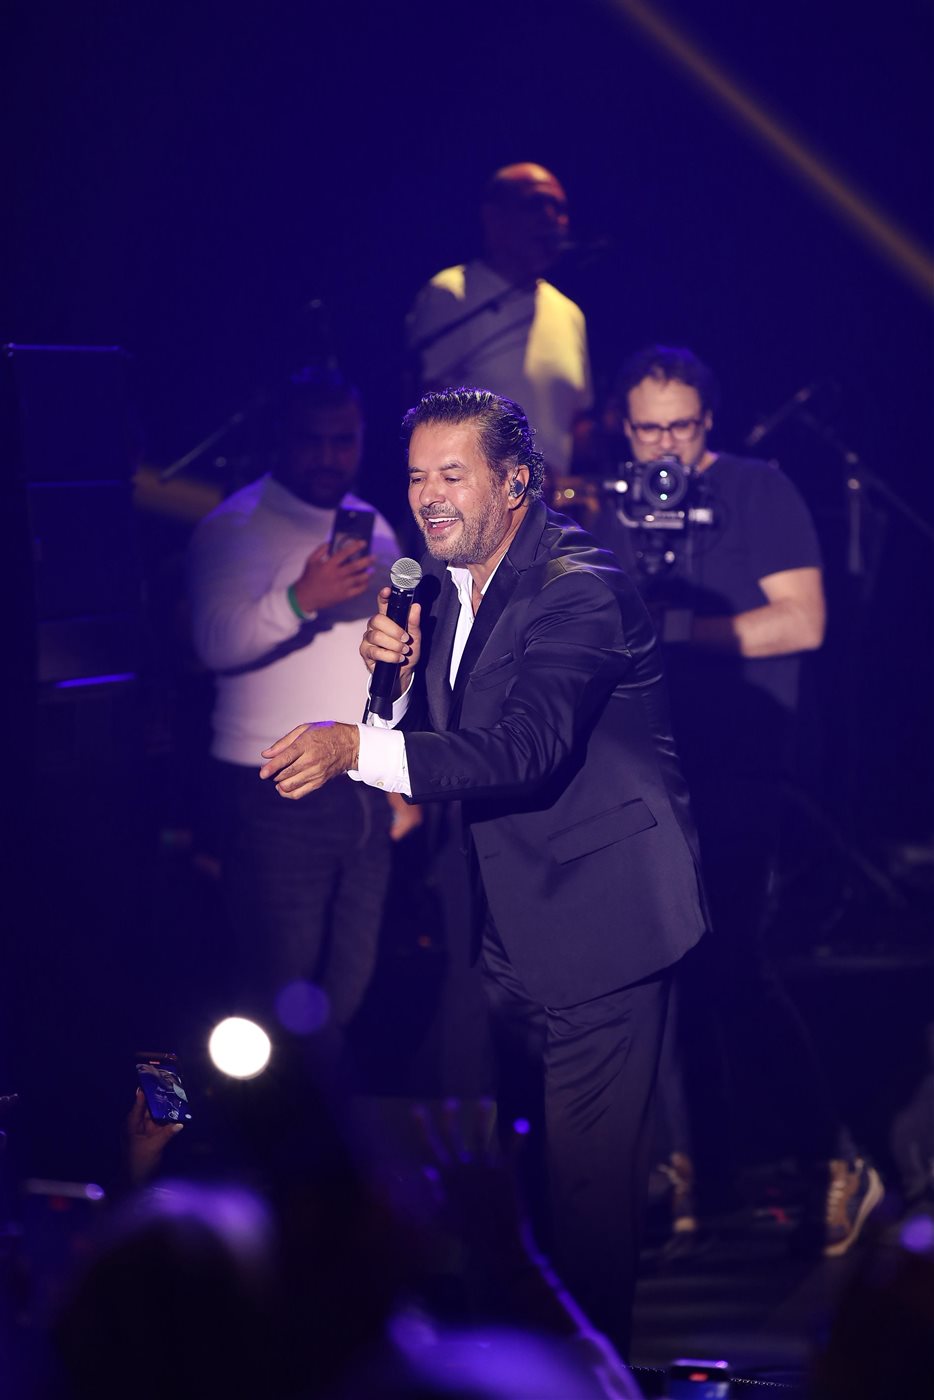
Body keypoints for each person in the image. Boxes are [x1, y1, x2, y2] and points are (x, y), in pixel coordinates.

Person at [258, 386, 707, 1356]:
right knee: (520, 1179)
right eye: (417, 476)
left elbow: (524, 749)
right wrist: (389, 685)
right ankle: (526, 1362)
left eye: (452, 475)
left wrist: (353, 747)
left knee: (586, 1200)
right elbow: (432, 738)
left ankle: (592, 1374)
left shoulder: (580, 588)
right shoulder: (440, 582)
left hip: (606, 922)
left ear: (515, 483)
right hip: (514, 920)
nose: (428, 496)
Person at [598, 344, 883, 1254]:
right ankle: (687, 1169)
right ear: (623, 426)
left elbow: (803, 620)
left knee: (731, 964)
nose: (665, 445)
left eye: (681, 426)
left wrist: (678, 628)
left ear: (708, 421)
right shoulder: (610, 505)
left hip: (740, 765)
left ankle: (836, 1157)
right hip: (640, 770)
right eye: (648, 429)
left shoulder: (760, 491)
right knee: (650, 973)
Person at [187, 367, 409, 1047]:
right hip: (275, 788)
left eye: (344, 441)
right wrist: (300, 599)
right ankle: (262, 1112)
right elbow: (211, 643)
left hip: (363, 783)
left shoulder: (375, 526)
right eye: (313, 440)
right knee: (277, 993)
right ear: (283, 439)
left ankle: (313, 1107)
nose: (329, 457)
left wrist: (397, 776)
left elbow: (389, 661)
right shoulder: (236, 523)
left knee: (350, 986)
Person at [407, 163, 592, 479]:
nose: (551, 218)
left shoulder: (569, 313)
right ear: (493, 217)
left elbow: (577, 424)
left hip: (547, 506)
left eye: (559, 209)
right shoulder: (452, 294)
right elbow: (424, 408)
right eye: (535, 204)